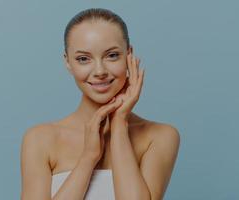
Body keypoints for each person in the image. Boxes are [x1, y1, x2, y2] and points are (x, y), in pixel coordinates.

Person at [20, 8, 180, 200]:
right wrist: (88, 158)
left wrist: (119, 124)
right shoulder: (40, 139)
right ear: (68, 62)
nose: (99, 71)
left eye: (112, 55)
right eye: (83, 59)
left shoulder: (160, 136)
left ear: (129, 55)